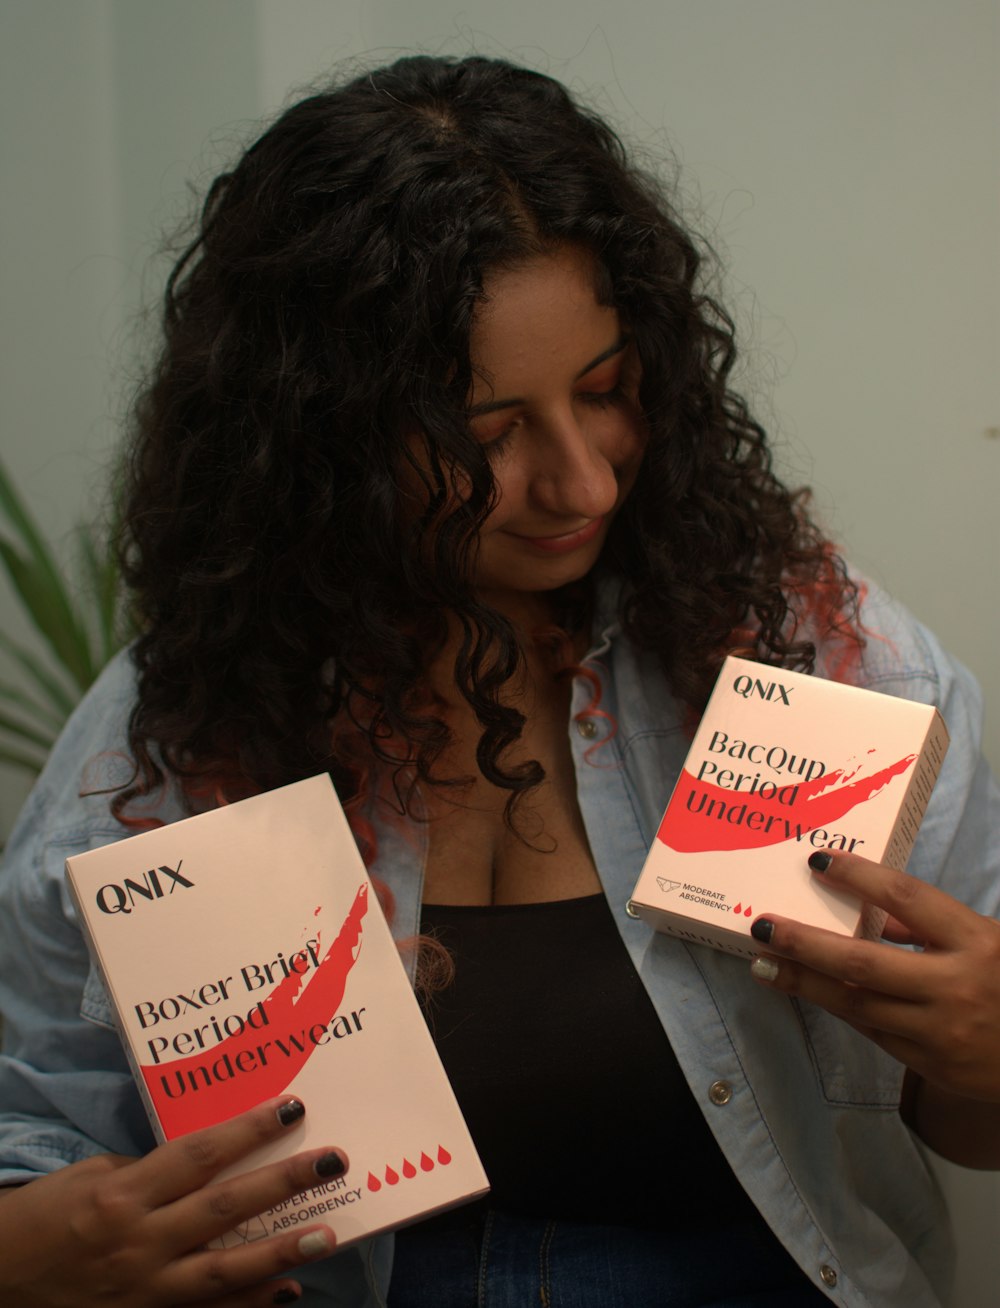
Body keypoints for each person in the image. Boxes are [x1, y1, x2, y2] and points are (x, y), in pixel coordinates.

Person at [0, 53, 997, 1308]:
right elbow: (35, 1138)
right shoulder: (187, 726)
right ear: (320, 438)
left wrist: (984, 1062)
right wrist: (32, 1254)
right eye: (486, 437)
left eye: (605, 392)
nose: (580, 484)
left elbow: (965, 1127)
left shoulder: (821, 663)